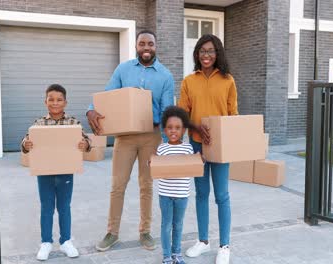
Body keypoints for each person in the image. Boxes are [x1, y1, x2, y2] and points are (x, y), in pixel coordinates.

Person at [86, 30, 174, 251]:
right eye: (142, 43)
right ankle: (112, 232)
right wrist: (91, 110)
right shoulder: (123, 69)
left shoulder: (165, 75)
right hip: (124, 137)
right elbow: (108, 95)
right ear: (136, 45)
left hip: (151, 136)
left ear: (156, 46)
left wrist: (168, 143)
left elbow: (166, 111)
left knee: (146, 185)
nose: (146, 47)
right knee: (118, 185)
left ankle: (145, 232)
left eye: (150, 43)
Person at [178, 34, 238, 264]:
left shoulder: (228, 80)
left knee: (222, 196)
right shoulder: (189, 80)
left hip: (220, 145)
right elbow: (182, 114)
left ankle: (224, 245)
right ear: (197, 54)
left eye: (211, 51)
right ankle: (203, 241)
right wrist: (195, 127)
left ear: (218, 53)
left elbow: (233, 114)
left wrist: (232, 142)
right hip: (196, 143)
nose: (206, 55)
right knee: (201, 194)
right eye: (202, 51)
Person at [22, 84, 92, 261]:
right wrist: (26, 144)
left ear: (65, 102)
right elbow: (25, 142)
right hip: (44, 173)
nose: (55, 103)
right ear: (45, 102)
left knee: (64, 207)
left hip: (66, 172)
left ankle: (66, 241)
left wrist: (85, 144)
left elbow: (87, 141)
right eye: (51, 99)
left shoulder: (73, 123)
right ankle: (46, 242)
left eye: (59, 99)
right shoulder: (38, 123)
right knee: (46, 207)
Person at [155, 106, 194, 264]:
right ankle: (166, 255)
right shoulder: (162, 149)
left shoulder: (188, 148)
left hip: (182, 195)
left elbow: (194, 167)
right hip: (165, 195)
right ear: (164, 129)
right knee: (166, 225)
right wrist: (151, 161)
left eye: (177, 128)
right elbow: (156, 167)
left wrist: (200, 160)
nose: (173, 131)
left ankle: (176, 253)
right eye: (170, 128)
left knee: (178, 225)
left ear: (183, 130)